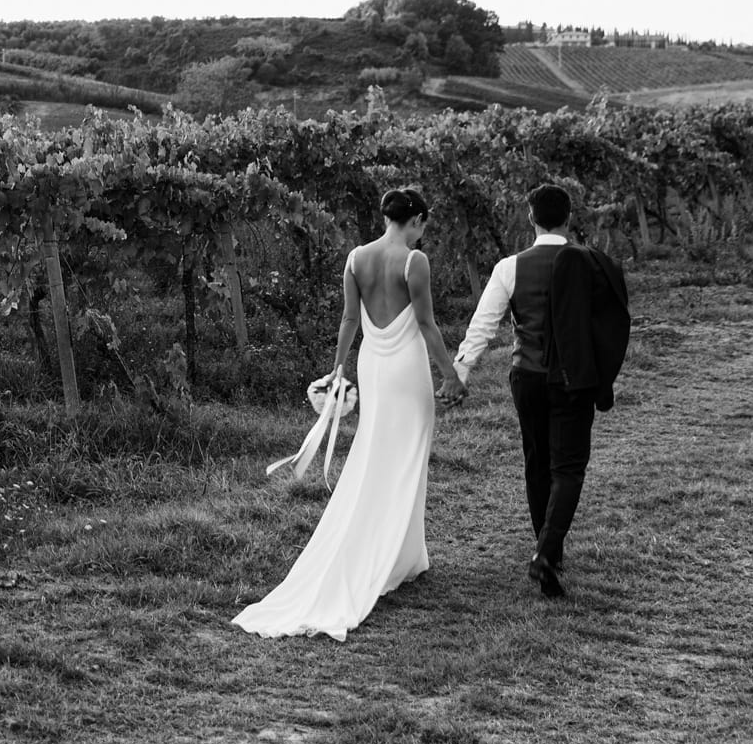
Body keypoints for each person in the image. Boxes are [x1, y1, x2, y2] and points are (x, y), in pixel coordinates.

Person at [234, 187, 468, 641]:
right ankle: (393, 556)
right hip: (406, 369)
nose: (422, 233)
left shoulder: (357, 258)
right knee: (407, 457)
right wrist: (450, 375)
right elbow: (425, 323)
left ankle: (404, 554)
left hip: (373, 365)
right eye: (423, 225)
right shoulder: (414, 261)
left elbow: (348, 319)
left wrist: (338, 367)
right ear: (416, 220)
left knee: (378, 451)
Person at [454, 182, 624, 598]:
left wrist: (459, 371)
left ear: (530, 217)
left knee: (537, 463)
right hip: (573, 379)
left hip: (527, 377)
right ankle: (546, 553)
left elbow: (483, 325)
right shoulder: (592, 264)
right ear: (570, 217)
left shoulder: (510, 267)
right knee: (569, 468)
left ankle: (548, 550)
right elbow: (608, 324)